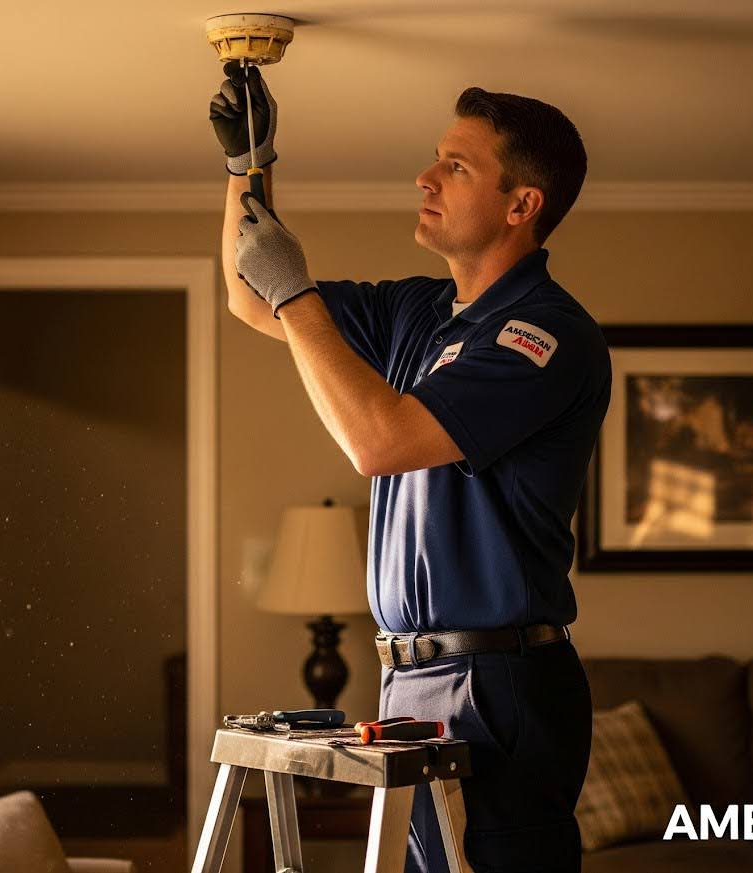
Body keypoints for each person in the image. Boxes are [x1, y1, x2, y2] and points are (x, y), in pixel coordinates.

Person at [210, 62, 611, 873]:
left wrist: (297, 295)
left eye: (456, 167)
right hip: (412, 676)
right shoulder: (416, 312)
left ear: (520, 205)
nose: (425, 176)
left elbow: (380, 442)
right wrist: (247, 167)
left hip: (498, 682)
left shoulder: (543, 333)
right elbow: (253, 297)